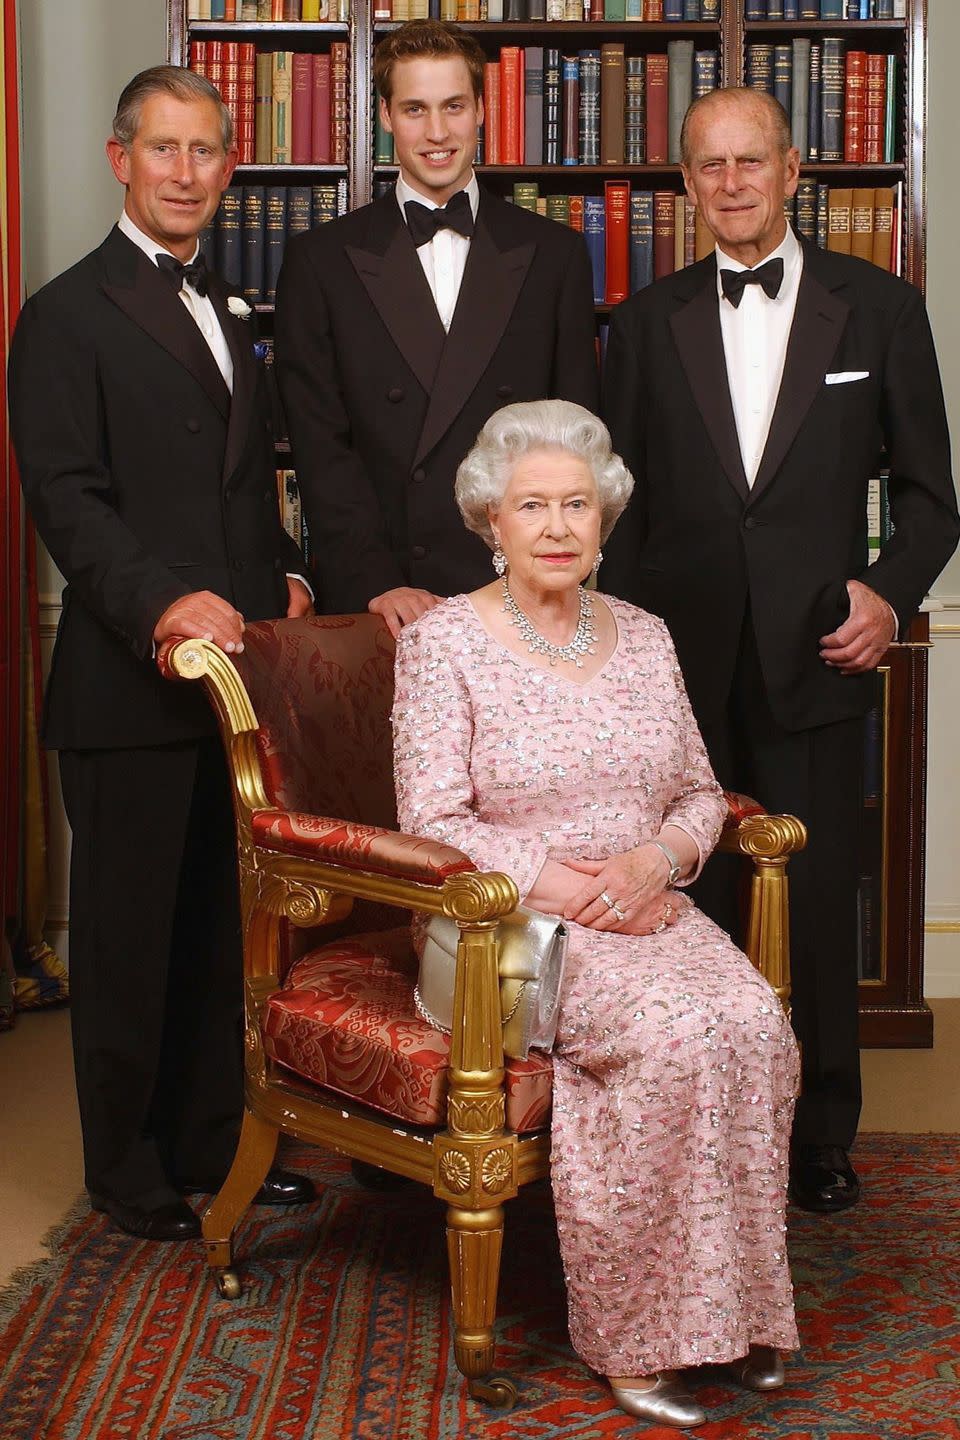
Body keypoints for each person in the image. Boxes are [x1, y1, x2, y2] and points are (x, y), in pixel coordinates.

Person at [391, 399, 800, 1430]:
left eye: (578, 503)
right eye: (535, 505)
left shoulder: (649, 637)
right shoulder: (444, 643)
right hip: (509, 929)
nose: (560, 526)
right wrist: (571, 890)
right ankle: (639, 1338)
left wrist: (656, 860)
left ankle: (739, 1315)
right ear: (492, 519)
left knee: (752, 1023)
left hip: (647, 903)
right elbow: (430, 817)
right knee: (669, 1043)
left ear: (605, 516)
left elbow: (701, 793)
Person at [601, 87, 959, 1215]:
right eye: (710, 166)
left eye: (753, 161)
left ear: (795, 170)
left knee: (813, 900)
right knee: (685, 906)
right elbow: (618, 509)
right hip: (679, 670)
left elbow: (932, 501)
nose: (734, 183)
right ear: (687, 185)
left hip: (821, 656)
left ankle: (819, 1143)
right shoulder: (647, 319)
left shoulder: (883, 309)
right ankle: (701, 1135)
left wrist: (888, 595)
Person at [9, 66, 315, 1241]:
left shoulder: (229, 310)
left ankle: (207, 1143)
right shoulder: (65, 312)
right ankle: (127, 1168)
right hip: (127, 686)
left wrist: (285, 571)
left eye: (206, 152)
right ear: (119, 158)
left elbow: (241, 488)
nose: (186, 172)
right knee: (132, 942)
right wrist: (167, 605)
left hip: (232, 688)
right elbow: (68, 500)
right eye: (165, 150)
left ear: (230, 168)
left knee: (212, 940)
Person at [274, 19, 598, 638]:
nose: (438, 132)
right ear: (386, 117)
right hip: (387, 597)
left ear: (481, 110)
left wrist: (543, 573)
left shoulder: (555, 254)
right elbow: (321, 446)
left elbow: (573, 443)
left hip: (523, 589)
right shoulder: (320, 261)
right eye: (415, 109)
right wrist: (375, 581)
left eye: (453, 106)